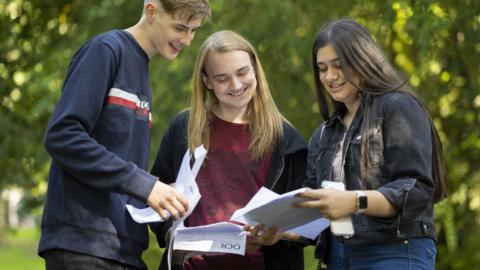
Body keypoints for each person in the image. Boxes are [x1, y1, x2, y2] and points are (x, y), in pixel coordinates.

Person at [38, 1, 211, 269]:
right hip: (83, 245)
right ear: (152, 11)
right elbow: (63, 135)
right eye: (180, 28)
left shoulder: (141, 68)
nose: (187, 40)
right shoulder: (105, 50)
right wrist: (145, 184)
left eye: (194, 31)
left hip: (124, 249)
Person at [292, 18, 448, 269]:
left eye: (338, 65)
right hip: (338, 256)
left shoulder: (397, 107)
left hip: (394, 251)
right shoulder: (323, 134)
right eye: (322, 69)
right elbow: (317, 208)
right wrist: (281, 232)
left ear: (362, 60)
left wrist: (356, 201)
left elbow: (415, 190)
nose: (330, 76)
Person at [150, 30, 307, 270]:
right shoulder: (184, 128)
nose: (235, 85)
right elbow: (156, 193)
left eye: (242, 72)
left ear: (255, 68)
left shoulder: (285, 138)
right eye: (222, 78)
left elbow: (305, 225)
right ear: (207, 81)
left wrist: (278, 234)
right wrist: (169, 233)